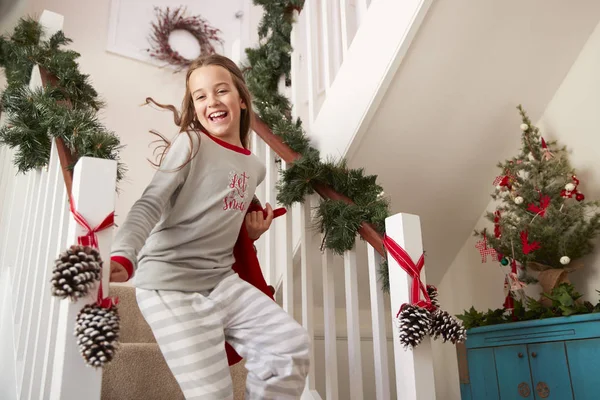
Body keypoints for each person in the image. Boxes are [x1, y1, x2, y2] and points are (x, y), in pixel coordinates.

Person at [109, 54, 310, 400]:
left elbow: (220, 215)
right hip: (169, 285)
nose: (212, 102)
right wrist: (123, 255)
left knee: (289, 347)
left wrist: (249, 233)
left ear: (242, 101)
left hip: (220, 281)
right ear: (194, 107)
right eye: (200, 96)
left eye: (221, 91)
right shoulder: (191, 143)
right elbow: (150, 202)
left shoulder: (255, 167)